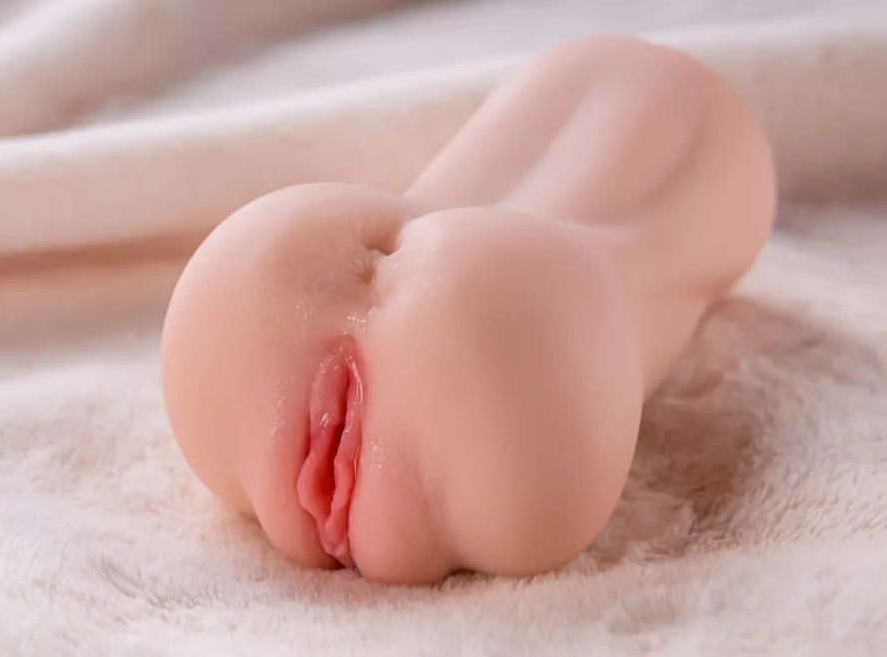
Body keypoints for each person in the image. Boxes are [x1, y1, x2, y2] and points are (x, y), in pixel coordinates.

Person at [159, 36, 776, 585]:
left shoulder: (573, 86)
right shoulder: (727, 173)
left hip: (535, 316)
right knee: (542, 349)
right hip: (549, 334)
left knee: (515, 308)